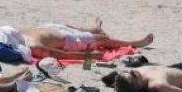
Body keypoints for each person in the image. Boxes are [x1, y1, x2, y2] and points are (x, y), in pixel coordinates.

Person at [17, 19, 153, 59]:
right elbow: (60, 54)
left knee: (68, 25)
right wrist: (89, 56)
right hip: (67, 39)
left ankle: (94, 28)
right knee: (103, 38)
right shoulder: (34, 45)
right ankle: (135, 43)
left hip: (49, 28)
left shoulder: (13, 34)